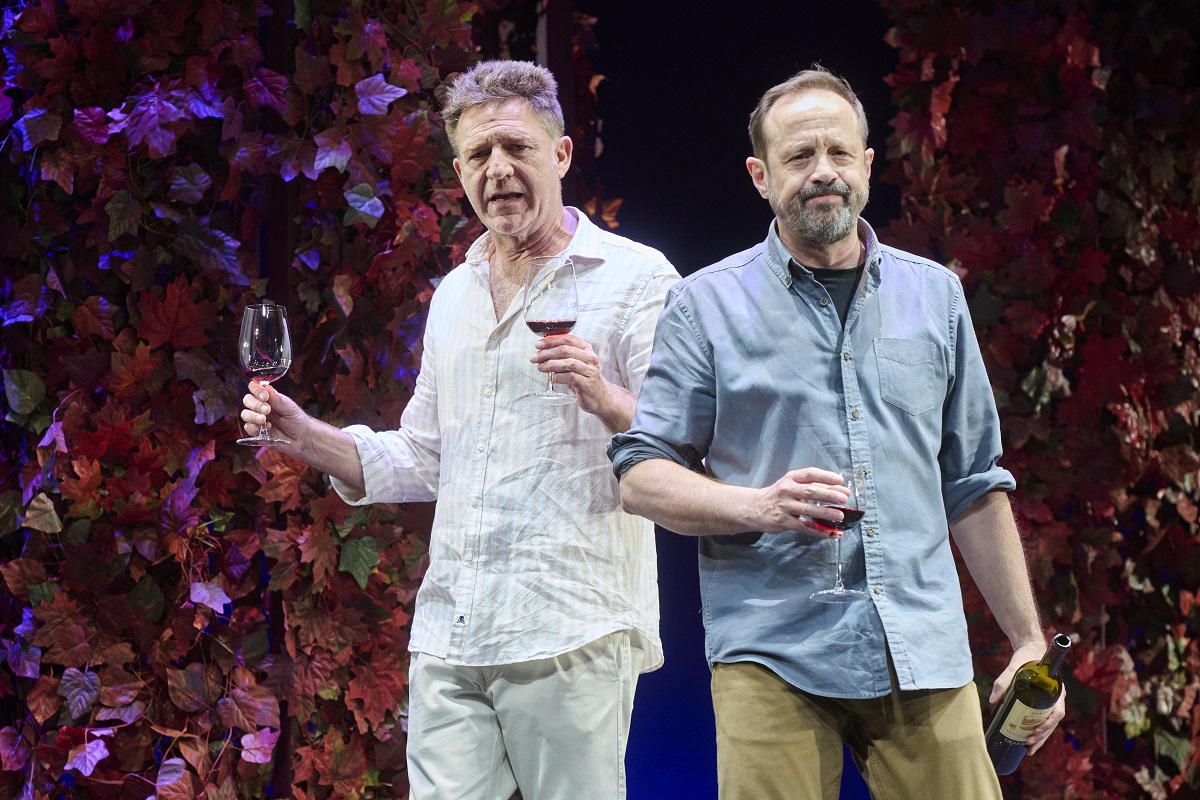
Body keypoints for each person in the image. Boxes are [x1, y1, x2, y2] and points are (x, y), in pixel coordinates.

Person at [608, 66, 1065, 799]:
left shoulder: (935, 296)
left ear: (868, 164)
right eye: (798, 157)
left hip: (921, 647)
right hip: (774, 650)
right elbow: (639, 475)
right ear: (760, 175)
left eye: (839, 153)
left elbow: (975, 485)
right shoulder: (704, 305)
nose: (823, 173)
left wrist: (1027, 641)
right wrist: (758, 506)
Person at [240, 60, 678, 800]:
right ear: (459, 171)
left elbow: (677, 440)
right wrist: (301, 433)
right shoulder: (455, 295)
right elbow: (424, 456)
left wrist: (602, 394)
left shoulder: (636, 280)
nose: (498, 170)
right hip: (452, 635)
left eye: (516, 148)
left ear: (561, 155)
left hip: (569, 630)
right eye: (479, 156)